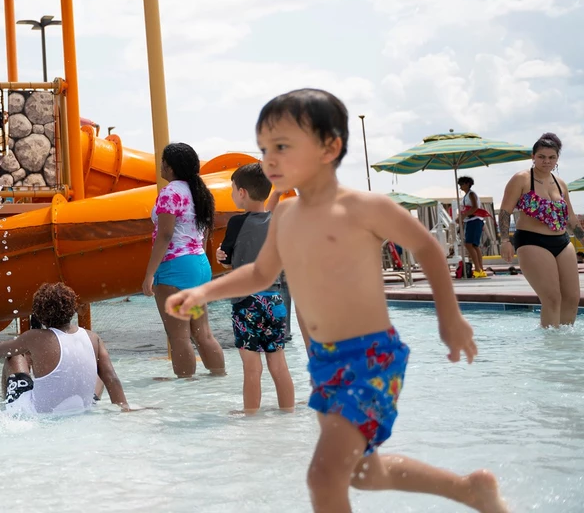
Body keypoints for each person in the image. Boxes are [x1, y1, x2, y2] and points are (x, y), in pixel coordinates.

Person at [166, 89, 505, 513]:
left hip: (370, 356)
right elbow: (260, 274)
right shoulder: (285, 216)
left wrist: (449, 318)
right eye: (266, 148)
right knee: (363, 473)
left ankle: (470, 490)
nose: (270, 159)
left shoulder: (364, 208)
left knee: (323, 477)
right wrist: (204, 291)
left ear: (330, 147)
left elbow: (429, 249)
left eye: (283, 147)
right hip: (326, 362)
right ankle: (469, 490)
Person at [142, 142, 225, 378]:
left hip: (175, 268)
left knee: (178, 337)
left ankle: (185, 392)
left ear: (170, 167)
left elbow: (166, 235)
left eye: (163, 162)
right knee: (203, 334)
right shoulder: (200, 192)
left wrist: (149, 274)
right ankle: (219, 380)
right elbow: (205, 231)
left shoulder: (170, 193)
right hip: (198, 264)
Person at [217, 162, 294, 415]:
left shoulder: (237, 224)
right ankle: (288, 413)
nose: (231, 194)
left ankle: (250, 417)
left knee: (252, 367)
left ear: (242, 193)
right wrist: (277, 193)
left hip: (246, 302)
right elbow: (266, 214)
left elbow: (227, 260)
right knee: (278, 363)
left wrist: (221, 255)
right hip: (274, 300)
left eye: (232, 189)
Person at [0, 282, 129, 415]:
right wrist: (124, 409)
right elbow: (112, 378)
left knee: (14, 356)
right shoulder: (93, 337)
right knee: (100, 371)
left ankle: (10, 410)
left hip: (42, 412)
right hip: (81, 406)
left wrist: (19, 347)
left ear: (39, 312)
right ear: (72, 308)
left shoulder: (34, 337)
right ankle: (91, 403)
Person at [497, 133, 583, 328]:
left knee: (572, 298)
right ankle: (549, 348)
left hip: (562, 241)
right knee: (552, 298)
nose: (547, 161)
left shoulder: (560, 184)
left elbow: (570, 217)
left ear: (557, 159)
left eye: (551, 157)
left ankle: (564, 344)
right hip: (532, 241)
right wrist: (504, 240)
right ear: (533, 157)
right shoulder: (522, 179)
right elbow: (504, 212)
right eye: (542, 157)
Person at [458, 176, 490, 279]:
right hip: (471, 221)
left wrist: (463, 216)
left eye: (462, 184)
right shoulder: (466, 196)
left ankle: (478, 268)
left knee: (469, 244)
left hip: (474, 220)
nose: (460, 186)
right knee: (474, 246)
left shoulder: (471, 194)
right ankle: (480, 269)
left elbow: (475, 207)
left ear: (467, 184)